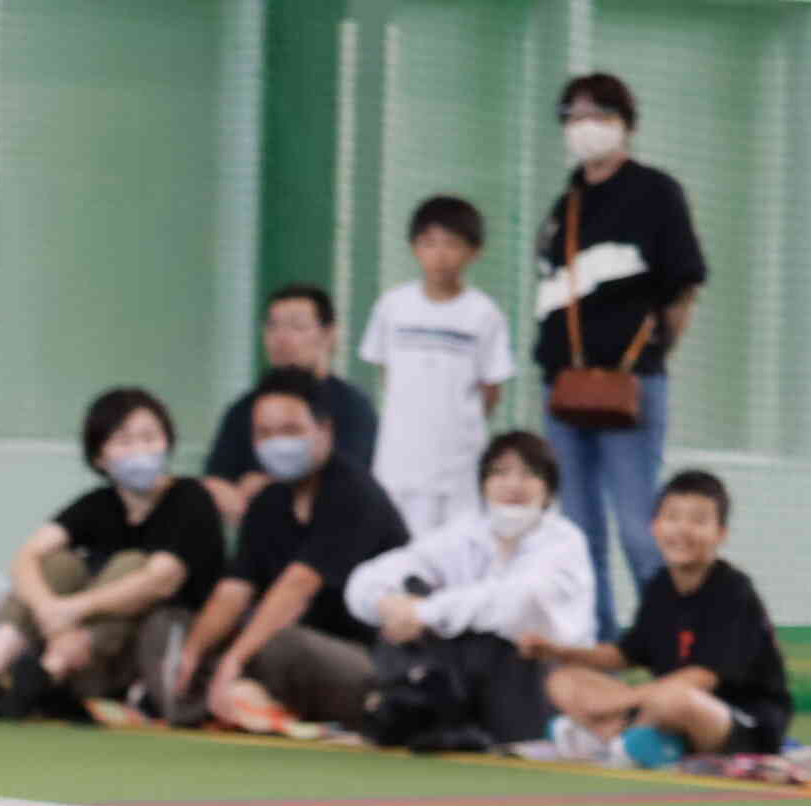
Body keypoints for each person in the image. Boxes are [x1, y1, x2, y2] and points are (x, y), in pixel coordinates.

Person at [0, 386, 223, 720]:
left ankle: (45, 675)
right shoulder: (99, 504)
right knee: (58, 564)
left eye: (149, 438)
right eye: (124, 441)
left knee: (131, 564)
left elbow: (161, 579)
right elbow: (26, 557)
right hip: (70, 641)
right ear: (99, 457)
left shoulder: (191, 498)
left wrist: (72, 610)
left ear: (167, 442)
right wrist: (52, 612)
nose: (140, 451)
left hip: (138, 653)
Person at [534, 71, 708, 642]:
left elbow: (682, 290)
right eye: (574, 117)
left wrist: (648, 359)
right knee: (576, 528)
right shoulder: (568, 203)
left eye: (598, 116)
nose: (585, 128)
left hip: (630, 384)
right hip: (562, 387)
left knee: (641, 526)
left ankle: (675, 641)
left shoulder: (657, 192)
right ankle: (598, 643)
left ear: (625, 125)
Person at [162, 366, 408, 732]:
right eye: (265, 433)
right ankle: (231, 700)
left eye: (291, 431)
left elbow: (299, 586)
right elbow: (235, 588)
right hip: (277, 651)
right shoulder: (267, 503)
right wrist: (194, 651)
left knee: (277, 643)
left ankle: (225, 701)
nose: (277, 443)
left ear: (324, 430)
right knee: (171, 628)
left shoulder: (354, 494)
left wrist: (234, 659)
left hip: (363, 660)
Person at [522, 470, 790, 768]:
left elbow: (702, 678)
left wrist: (623, 702)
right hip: (659, 705)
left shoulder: (734, 591)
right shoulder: (660, 585)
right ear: (655, 526)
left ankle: (608, 737)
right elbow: (625, 655)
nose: (682, 530)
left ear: (720, 534)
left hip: (735, 719)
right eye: (673, 517)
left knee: (678, 698)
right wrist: (559, 652)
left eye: (698, 521)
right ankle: (632, 740)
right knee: (562, 679)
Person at [342, 431, 591, 747]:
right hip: (464, 675)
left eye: (529, 474)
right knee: (402, 613)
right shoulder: (466, 532)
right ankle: (413, 712)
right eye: (500, 473)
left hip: (537, 680)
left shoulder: (565, 542)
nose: (513, 485)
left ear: (549, 489)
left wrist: (423, 613)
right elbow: (369, 579)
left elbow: (516, 602)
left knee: (488, 638)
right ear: (484, 485)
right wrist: (388, 604)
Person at [359, 195, 515, 534]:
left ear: (475, 251)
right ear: (414, 248)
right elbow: (387, 373)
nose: (440, 255)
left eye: (452, 244)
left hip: (457, 464)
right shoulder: (393, 306)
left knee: (452, 554)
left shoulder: (484, 314)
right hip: (399, 457)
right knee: (396, 547)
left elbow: (491, 389)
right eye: (429, 243)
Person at [201, 285, 379, 524]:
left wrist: (266, 486)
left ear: (329, 335)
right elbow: (216, 478)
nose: (282, 338)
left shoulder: (354, 408)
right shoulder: (244, 407)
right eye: (273, 326)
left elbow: (344, 484)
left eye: (297, 327)